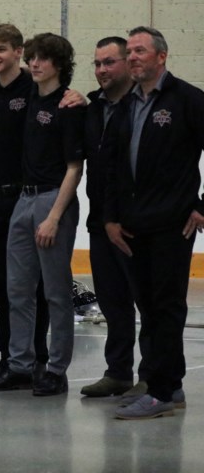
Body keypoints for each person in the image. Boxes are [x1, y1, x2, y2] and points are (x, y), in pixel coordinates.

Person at [104, 27, 204, 419]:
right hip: (132, 225)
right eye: (128, 51)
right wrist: (110, 218)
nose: (132, 57)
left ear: (161, 57)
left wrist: (202, 206)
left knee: (166, 307)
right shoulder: (126, 104)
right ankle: (172, 382)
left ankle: (160, 392)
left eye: (139, 51)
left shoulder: (188, 100)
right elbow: (111, 167)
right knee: (149, 306)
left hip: (172, 224)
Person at [0, 33, 85, 397]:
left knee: (56, 292)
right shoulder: (27, 98)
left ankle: (56, 368)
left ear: (59, 65)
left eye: (43, 59)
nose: (35, 65)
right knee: (17, 290)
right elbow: (6, 72)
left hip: (53, 199)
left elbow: (75, 168)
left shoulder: (69, 105)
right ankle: (20, 365)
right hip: (22, 199)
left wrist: (54, 216)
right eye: (33, 58)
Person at [0, 23, 51, 383]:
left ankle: (39, 358)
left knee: (33, 285)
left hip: (30, 195)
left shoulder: (34, 88)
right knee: (2, 286)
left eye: (1, 50)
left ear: (19, 52)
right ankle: (9, 358)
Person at [80, 36, 149, 399]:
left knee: (149, 303)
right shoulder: (92, 108)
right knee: (112, 301)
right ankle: (118, 372)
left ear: (128, 63)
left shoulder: (145, 105)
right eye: (97, 63)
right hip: (100, 221)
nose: (102, 70)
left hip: (138, 223)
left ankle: (154, 375)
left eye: (109, 62)